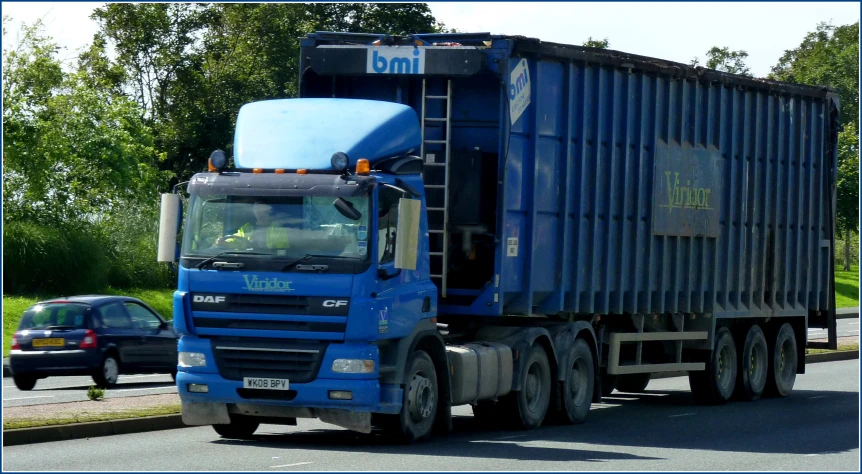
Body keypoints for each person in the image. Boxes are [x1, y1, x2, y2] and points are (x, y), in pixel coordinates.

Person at [215, 200, 292, 249]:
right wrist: (225, 243)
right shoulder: (247, 228)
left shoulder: (278, 229)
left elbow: (281, 251)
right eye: (255, 209)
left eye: (260, 209)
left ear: (269, 211)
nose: (257, 212)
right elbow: (235, 240)